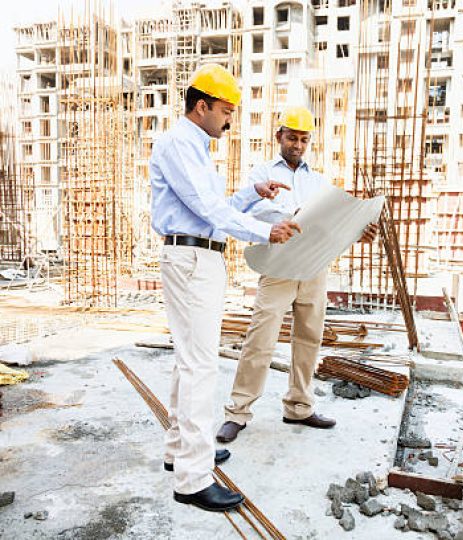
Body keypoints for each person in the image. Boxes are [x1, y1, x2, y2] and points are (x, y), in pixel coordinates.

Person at [149, 64, 301, 513]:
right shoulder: (180, 143)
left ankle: (180, 451)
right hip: (192, 258)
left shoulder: (193, 146)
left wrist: (254, 193)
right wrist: (262, 232)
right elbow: (205, 208)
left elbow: (214, 206)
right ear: (202, 106)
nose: (229, 120)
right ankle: (193, 480)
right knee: (199, 367)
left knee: (189, 361)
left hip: (198, 254)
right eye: (225, 111)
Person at [217, 106, 378, 444]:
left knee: (308, 339)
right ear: (279, 136)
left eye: (304, 140)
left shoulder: (318, 181)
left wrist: (356, 229)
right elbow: (252, 213)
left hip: (314, 268)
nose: (298, 145)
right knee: (260, 338)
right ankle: (239, 412)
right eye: (292, 138)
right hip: (279, 266)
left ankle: (299, 406)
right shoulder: (260, 174)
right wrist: (293, 215)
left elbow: (329, 224)